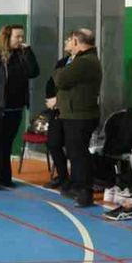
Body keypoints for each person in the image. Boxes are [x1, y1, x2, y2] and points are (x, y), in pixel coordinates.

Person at [0, 24, 39, 189]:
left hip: (15, 108)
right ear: (7, 37)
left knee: (7, 144)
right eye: (17, 37)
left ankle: (5, 177)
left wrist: (29, 51)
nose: (21, 40)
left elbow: (34, 72)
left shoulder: (21, 55)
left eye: (22, 37)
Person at [53, 28, 102, 207]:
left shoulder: (84, 62)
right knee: (75, 153)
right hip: (75, 114)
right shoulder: (84, 60)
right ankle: (76, 186)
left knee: (78, 154)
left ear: (76, 41)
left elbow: (60, 79)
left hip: (80, 116)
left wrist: (59, 69)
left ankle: (84, 191)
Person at [42, 37, 74, 189]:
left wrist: (58, 100)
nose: (65, 42)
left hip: (73, 112)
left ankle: (76, 181)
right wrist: (51, 100)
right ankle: (62, 176)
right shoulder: (62, 62)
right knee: (53, 143)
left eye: (69, 40)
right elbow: (51, 82)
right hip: (56, 111)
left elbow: (75, 89)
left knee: (73, 148)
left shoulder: (82, 64)